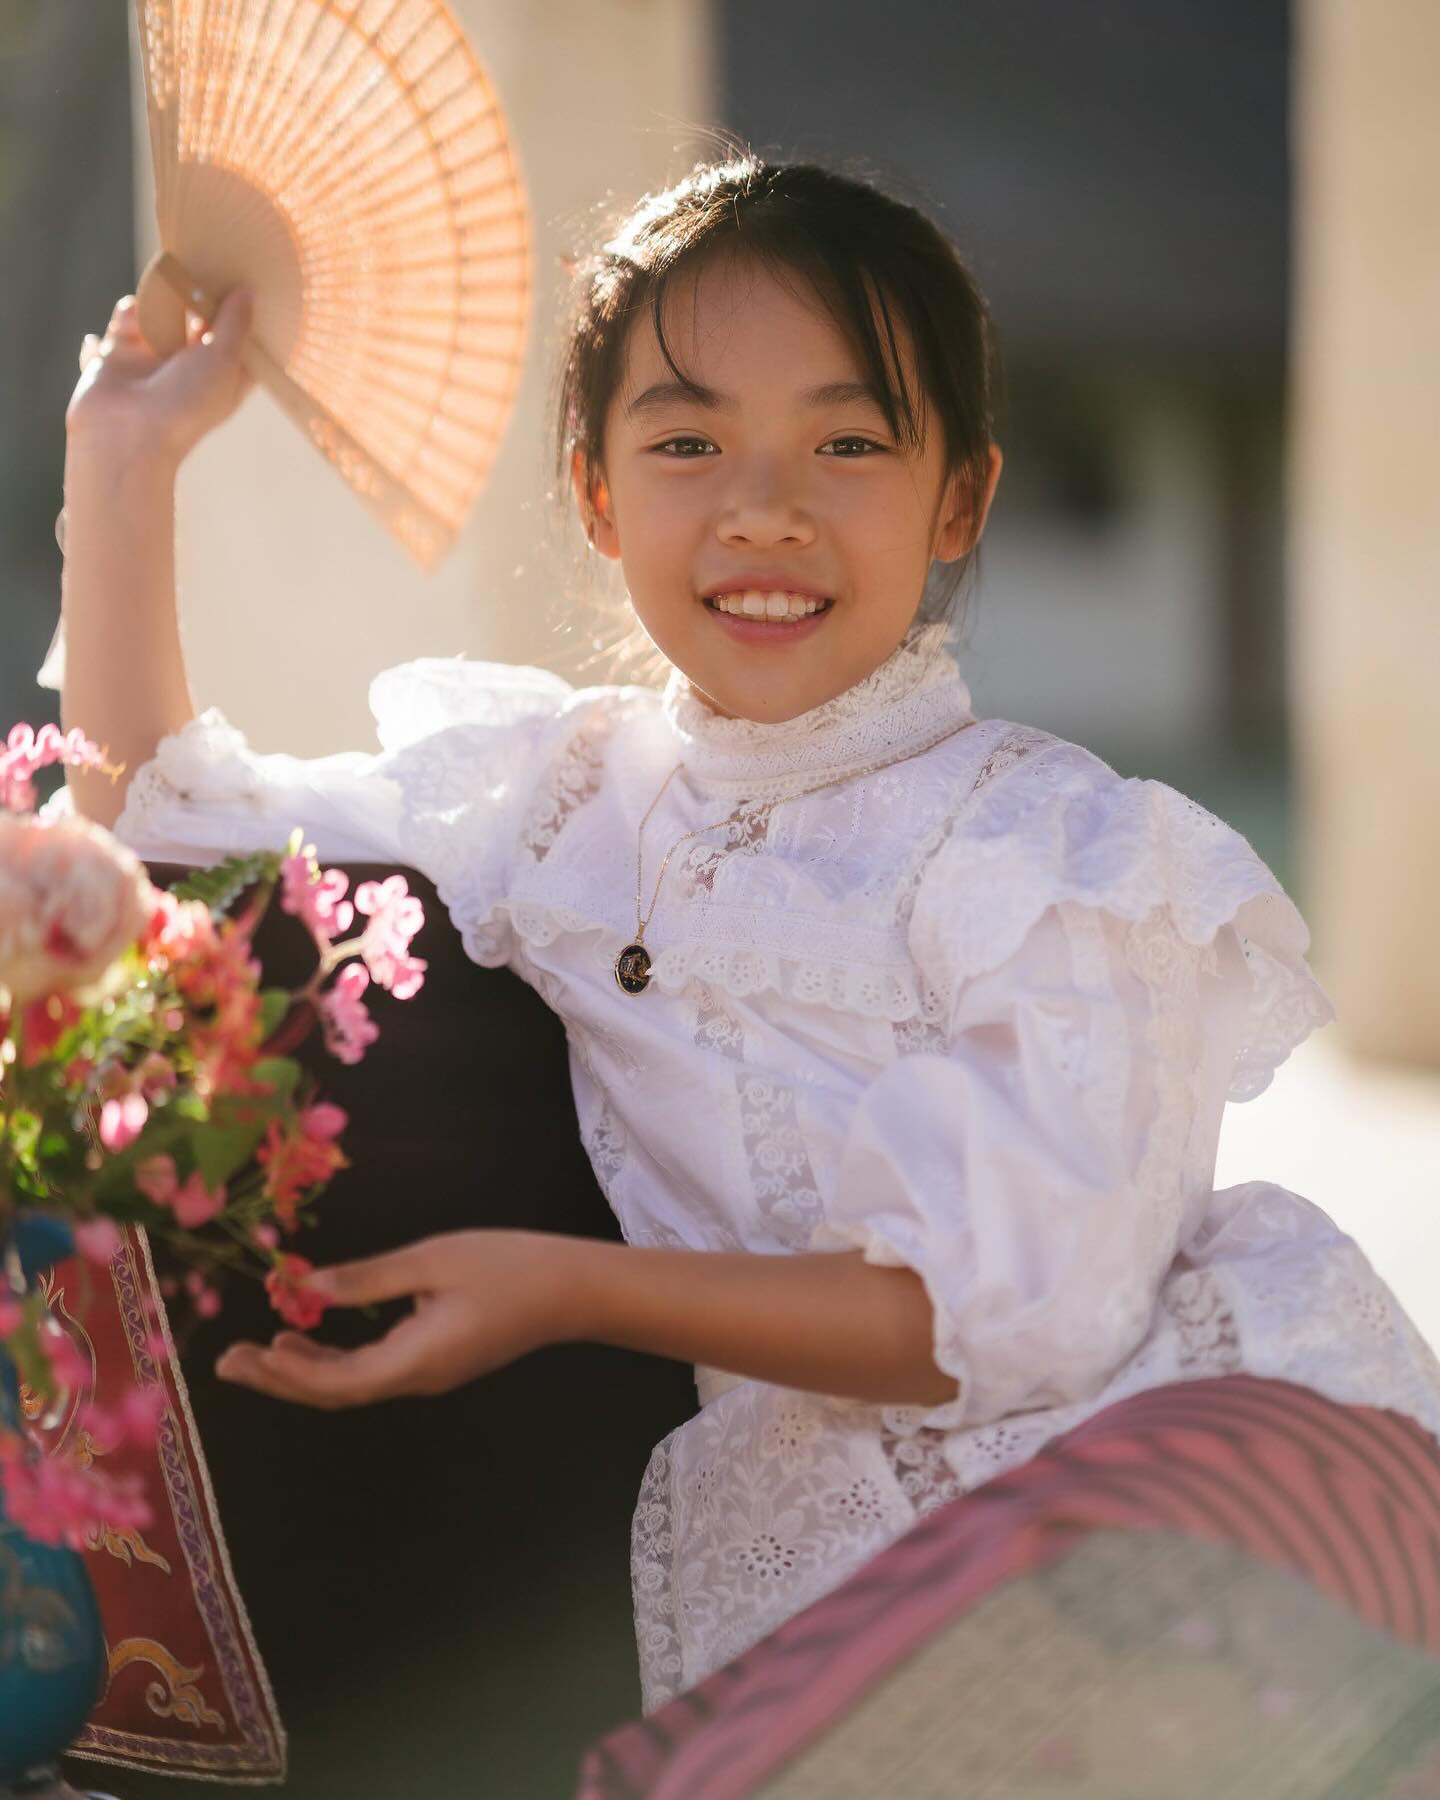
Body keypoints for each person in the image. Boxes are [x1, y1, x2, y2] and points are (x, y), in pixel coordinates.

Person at [55, 153, 1440, 1713]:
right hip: (780, 1551)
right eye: (689, 441)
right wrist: (120, 463)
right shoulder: (562, 793)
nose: (763, 510)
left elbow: (993, 1318)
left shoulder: (1050, 854)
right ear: (595, 491)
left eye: (848, 441)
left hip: (1141, 1511)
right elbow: (159, 827)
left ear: (958, 498)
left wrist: (567, 1287)